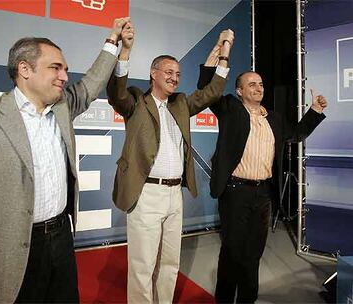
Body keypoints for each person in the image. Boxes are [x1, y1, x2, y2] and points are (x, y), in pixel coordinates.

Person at [0, 17, 131, 304]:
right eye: (55, 67)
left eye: (65, 69)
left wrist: (113, 41)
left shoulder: (64, 106)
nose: (65, 76)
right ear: (24, 69)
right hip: (9, 249)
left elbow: (92, 81)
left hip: (61, 238)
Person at [107, 23, 234, 303]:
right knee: (142, 266)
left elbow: (212, 92)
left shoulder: (181, 104)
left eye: (178, 74)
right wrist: (124, 52)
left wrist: (224, 55)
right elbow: (116, 92)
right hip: (146, 195)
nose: (174, 78)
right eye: (168, 72)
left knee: (170, 263)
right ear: (153, 74)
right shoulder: (136, 102)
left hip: (175, 195)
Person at [197, 69, 328, 303]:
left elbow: (295, 134)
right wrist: (220, 54)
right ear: (239, 91)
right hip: (235, 192)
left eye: (261, 84)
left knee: (253, 254)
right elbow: (207, 87)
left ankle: (247, 300)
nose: (259, 88)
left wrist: (315, 110)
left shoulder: (274, 118)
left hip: (263, 193)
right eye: (252, 85)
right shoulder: (230, 109)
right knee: (232, 252)